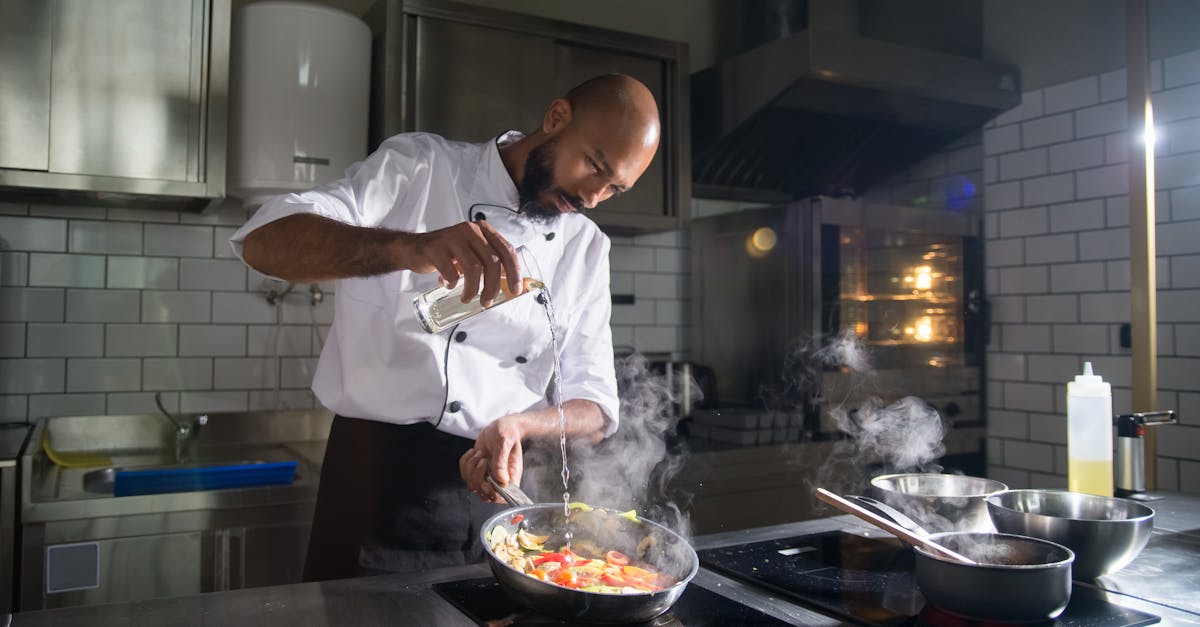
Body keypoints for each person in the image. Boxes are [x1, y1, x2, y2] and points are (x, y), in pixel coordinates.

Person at [229, 74, 661, 580]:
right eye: (594, 165)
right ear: (556, 117)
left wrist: (521, 425)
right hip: (373, 482)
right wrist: (410, 248)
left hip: (493, 496)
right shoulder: (421, 168)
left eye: (615, 187)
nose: (593, 196)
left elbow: (595, 405)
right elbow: (263, 242)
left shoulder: (585, 248)